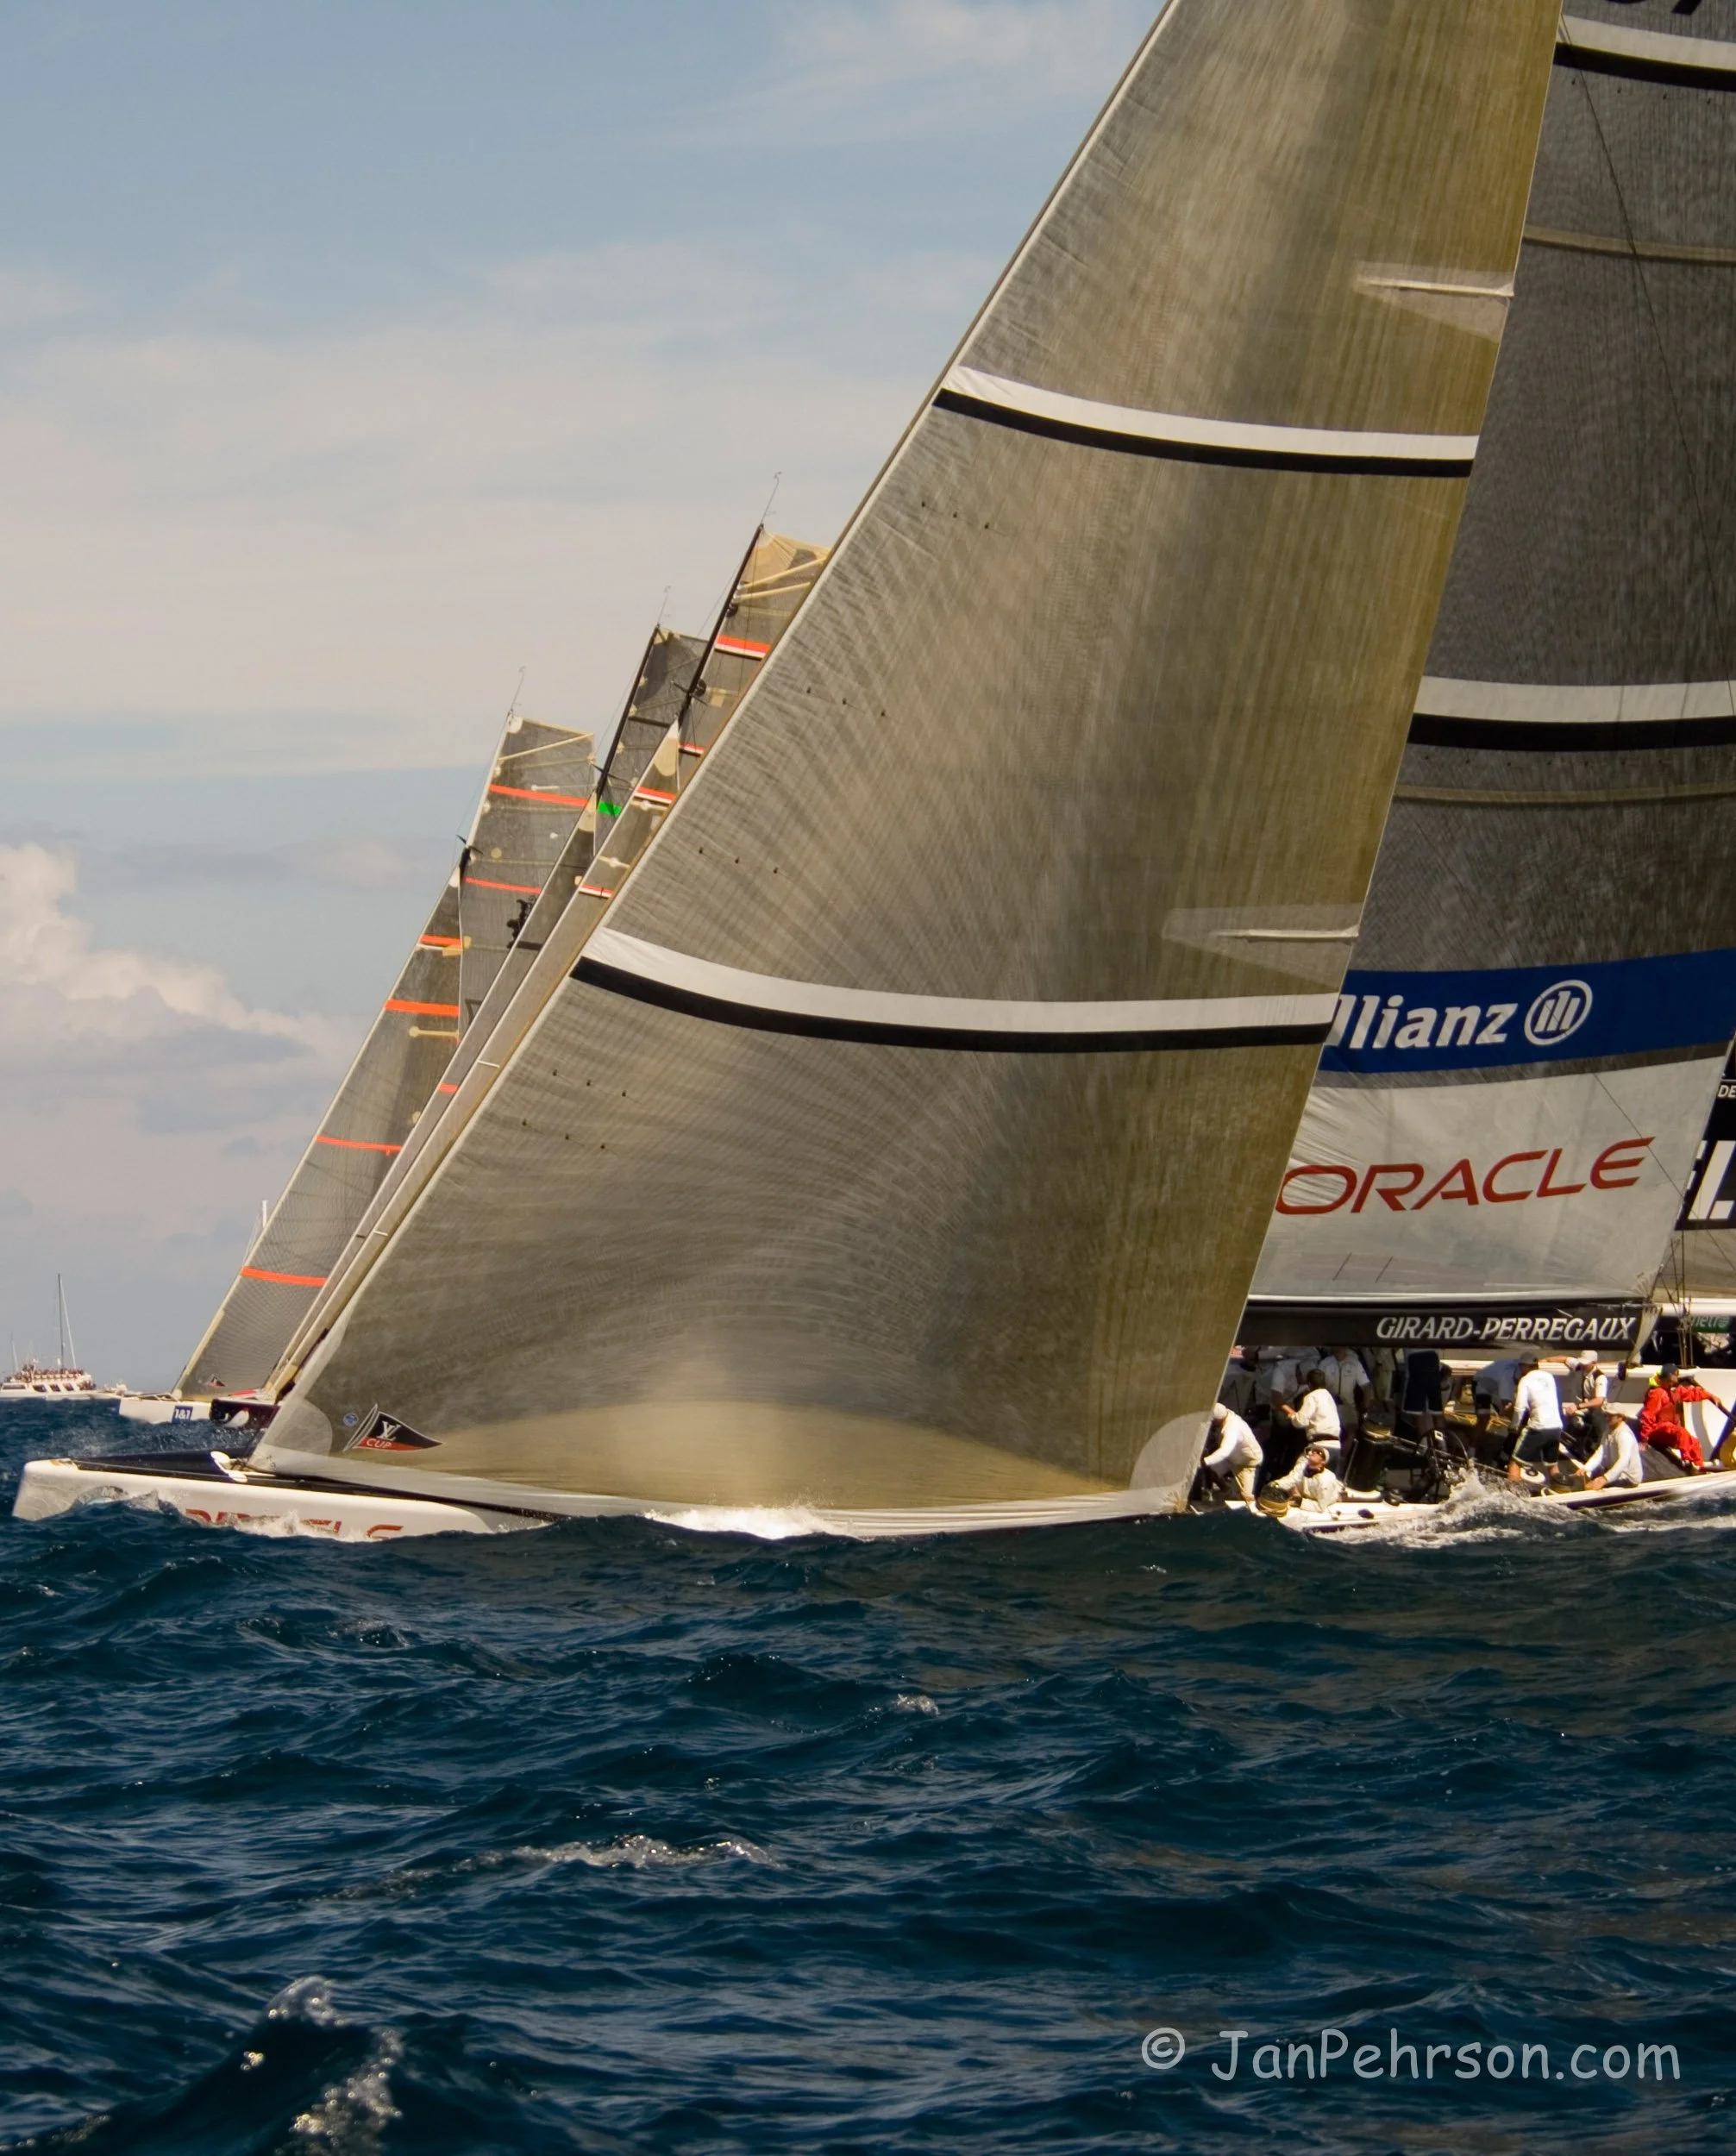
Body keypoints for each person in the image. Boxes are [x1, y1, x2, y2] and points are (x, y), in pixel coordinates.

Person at [1637, 1364, 1715, 1472]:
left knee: (1694, 1442)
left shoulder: (1675, 1390)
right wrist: (1644, 1439)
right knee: (1679, 1431)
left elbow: (1692, 1393)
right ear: (1662, 1379)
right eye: (1670, 1382)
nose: (1672, 1384)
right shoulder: (1657, 1393)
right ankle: (1687, 1461)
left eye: (1674, 1382)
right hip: (1656, 1430)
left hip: (1670, 1431)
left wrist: (1710, 1396)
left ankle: (1700, 1467)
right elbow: (1648, 1416)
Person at [1507, 1353, 1565, 1483]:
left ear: (1526, 1366)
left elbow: (1519, 1408)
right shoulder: (1549, 1377)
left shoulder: (1525, 1380)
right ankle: (1560, 1488)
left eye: (1521, 1366)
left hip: (1538, 1427)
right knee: (1552, 1465)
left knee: (1515, 1463)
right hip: (1556, 1427)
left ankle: (1512, 1495)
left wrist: (1514, 1426)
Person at [1200, 1402, 1263, 1501]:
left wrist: (1204, 1461)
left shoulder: (1232, 1428)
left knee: (1245, 1498)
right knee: (1211, 1470)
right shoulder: (1227, 1414)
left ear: (1217, 1420)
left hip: (1247, 1463)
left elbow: (1225, 1451)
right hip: (1232, 1458)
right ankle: (1226, 1490)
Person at [1278, 1368, 1343, 1465]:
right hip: (1336, 1447)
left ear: (1309, 1384)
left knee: (1299, 1474)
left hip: (1320, 1446)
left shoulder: (1312, 1396)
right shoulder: (1329, 1397)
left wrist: (1292, 1416)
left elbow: (1301, 1422)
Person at [1574, 1412, 1644, 1491]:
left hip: (1627, 1477)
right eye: (1606, 1415)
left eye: (1611, 1416)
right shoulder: (1609, 1430)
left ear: (1620, 1417)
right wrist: (1585, 1468)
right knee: (1582, 1481)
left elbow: (1623, 1461)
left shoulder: (1624, 1434)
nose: (1607, 1418)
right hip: (1615, 1473)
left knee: (1589, 1487)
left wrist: (1605, 1478)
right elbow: (1600, 1452)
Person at [1269, 1443, 1344, 1512]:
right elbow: (1291, 1480)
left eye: (1319, 1453)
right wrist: (1276, 1485)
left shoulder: (1326, 1479)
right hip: (1305, 1499)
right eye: (1314, 1451)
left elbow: (1321, 1506)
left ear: (1323, 1462)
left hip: (1326, 1504)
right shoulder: (1302, 1467)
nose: (1314, 1453)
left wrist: (1301, 1501)